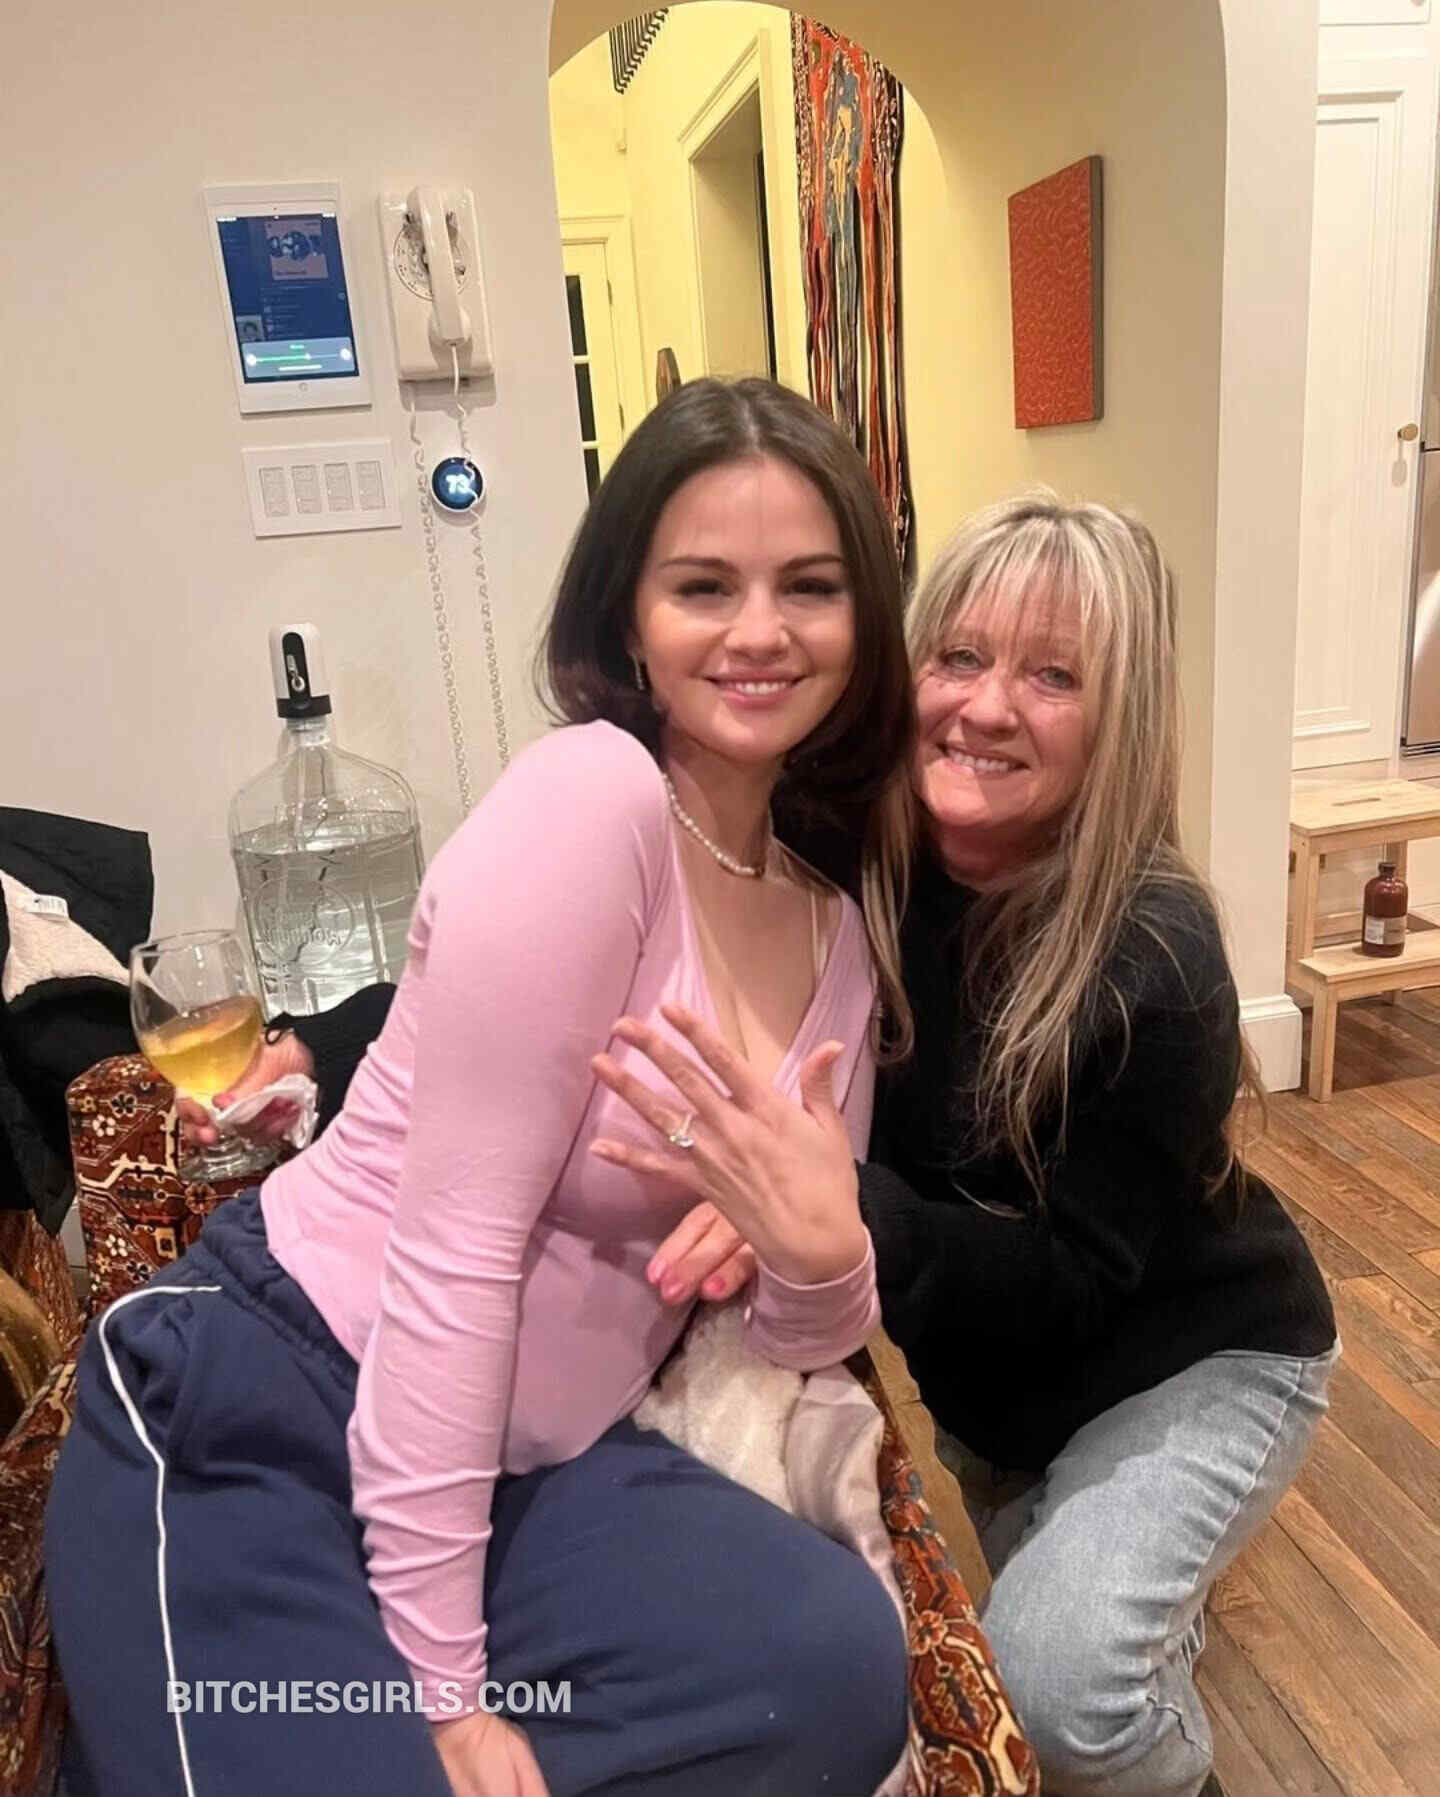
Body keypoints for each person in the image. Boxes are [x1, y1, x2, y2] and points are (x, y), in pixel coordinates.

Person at [238, 494, 1337, 1797]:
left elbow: (1073, 1287)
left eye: (1053, 677)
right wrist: (326, 1037)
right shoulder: (854, 841)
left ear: (1122, 720)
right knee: (1053, 1631)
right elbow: (552, 942)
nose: (987, 708)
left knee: (1060, 1691)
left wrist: (842, 1204)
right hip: (996, 1399)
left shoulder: (1158, 958)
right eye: (961, 656)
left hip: (1189, 1358)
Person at [46, 378, 915, 1797]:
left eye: (810, 588)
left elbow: (791, 1324)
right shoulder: (593, 801)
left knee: (836, 1667)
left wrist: (824, 1251)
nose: (761, 630)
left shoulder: (838, 938)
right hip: (275, 1401)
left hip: (529, 1477)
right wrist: (444, 1690)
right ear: (628, 620)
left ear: (863, 623)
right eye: (704, 586)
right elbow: (457, 1255)